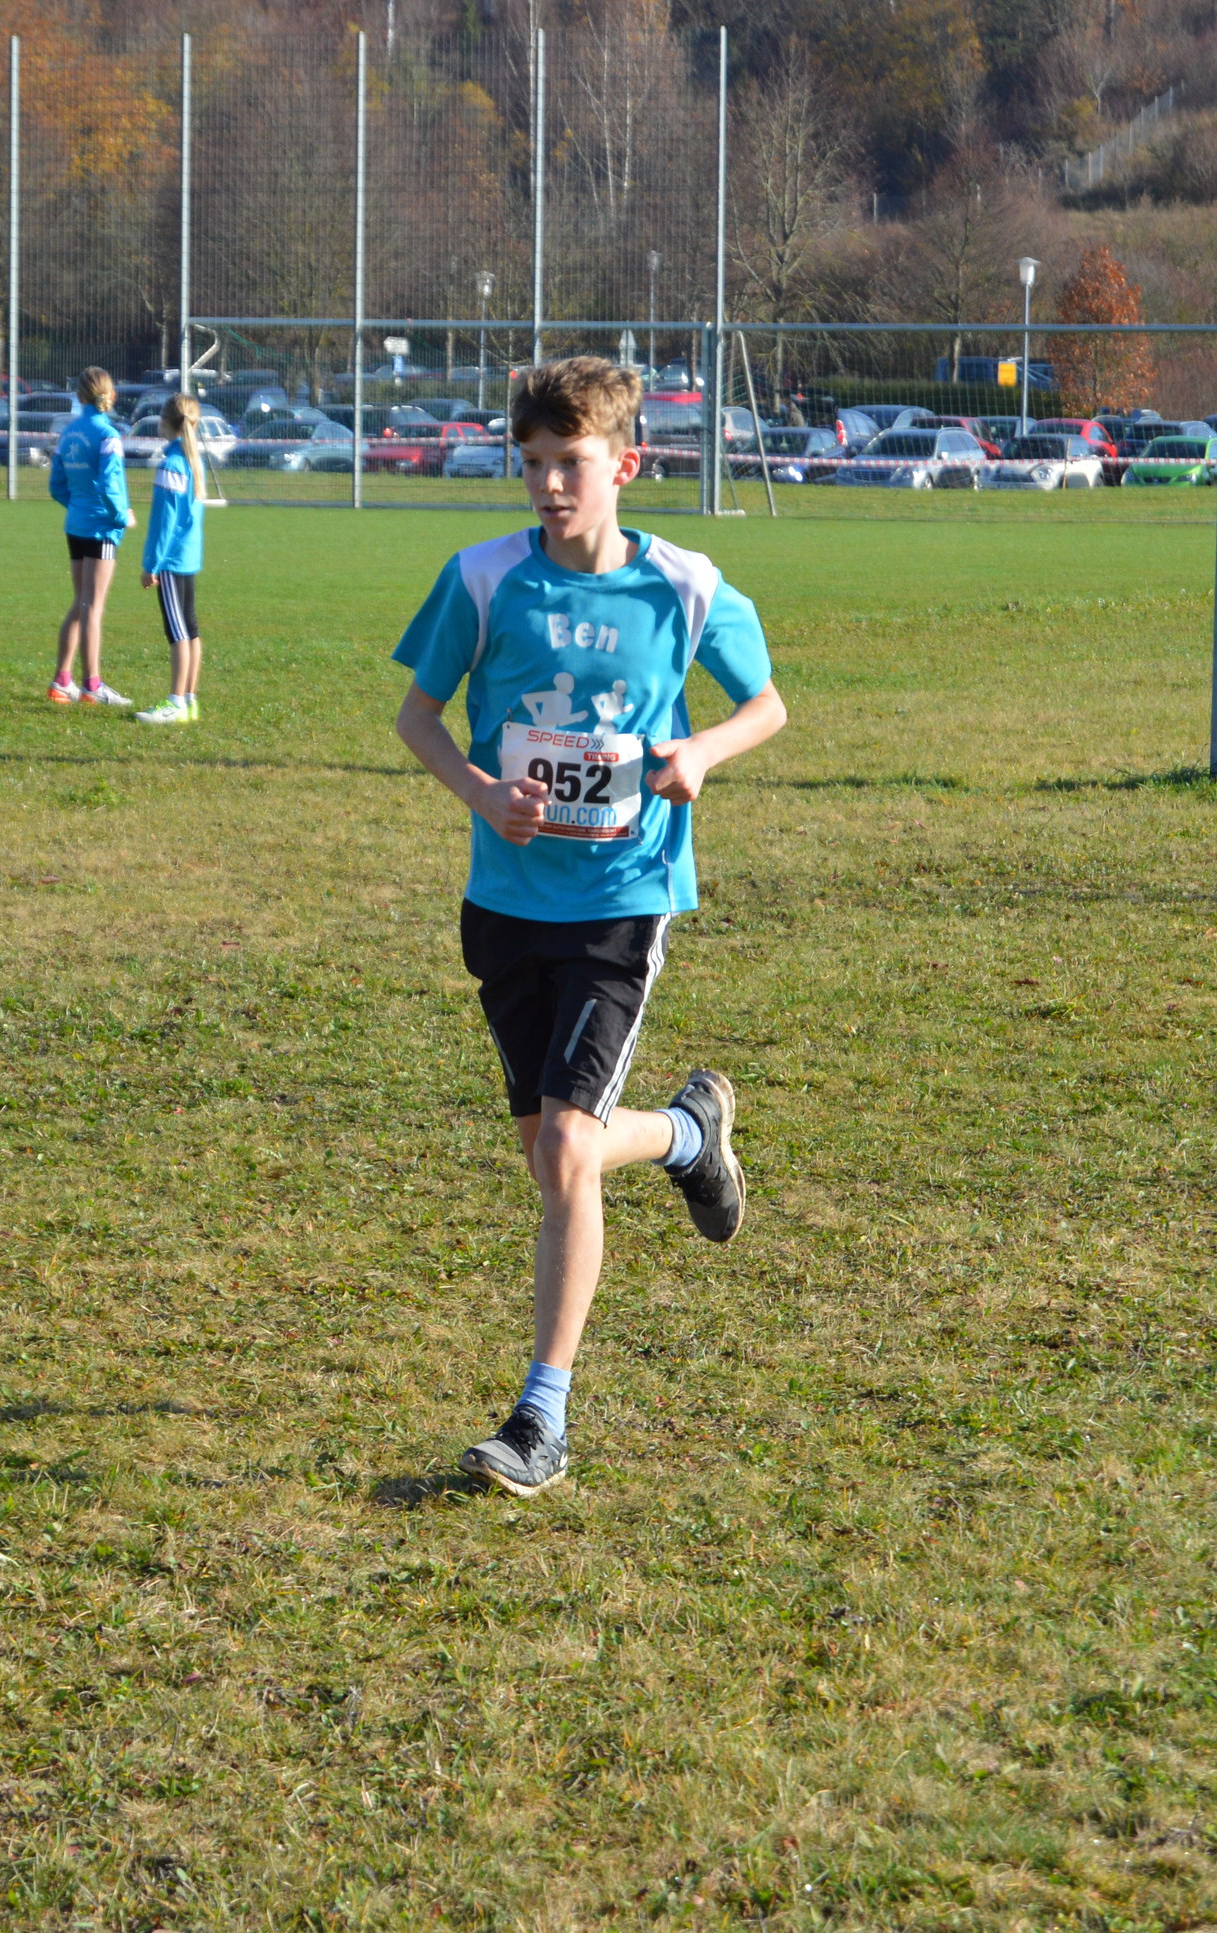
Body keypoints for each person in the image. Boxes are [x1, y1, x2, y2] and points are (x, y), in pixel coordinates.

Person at [391, 355, 789, 1500]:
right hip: (505, 904)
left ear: (624, 463)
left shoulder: (684, 585)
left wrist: (698, 752)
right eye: (531, 464)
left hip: (623, 898)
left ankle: (541, 1417)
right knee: (548, 1155)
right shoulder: (482, 579)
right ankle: (685, 1134)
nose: (548, 485)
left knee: (566, 1149)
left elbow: (765, 703)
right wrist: (482, 793)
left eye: (569, 462)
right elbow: (417, 715)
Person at [47, 365, 133, 706]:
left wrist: (78, 506)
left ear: (79, 396)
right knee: (93, 607)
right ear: (111, 395)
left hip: (76, 524)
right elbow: (111, 485)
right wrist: (121, 516)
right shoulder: (108, 435)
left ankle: (61, 681)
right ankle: (92, 686)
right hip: (101, 527)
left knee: (81, 602)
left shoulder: (68, 433)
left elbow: (56, 485)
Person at [132, 395, 207, 726]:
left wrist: (151, 564)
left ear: (165, 422)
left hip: (171, 561)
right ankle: (189, 700)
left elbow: (164, 523)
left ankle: (176, 702)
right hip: (187, 557)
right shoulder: (191, 460)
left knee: (178, 632)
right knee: (190, 629)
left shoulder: (171, 465)